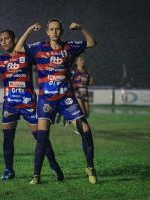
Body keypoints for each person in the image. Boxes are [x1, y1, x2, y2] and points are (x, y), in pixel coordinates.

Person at [15, 18, 97, 185]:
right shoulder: (38, 48)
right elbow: (17, 48)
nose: (54, 32)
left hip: (67, 100)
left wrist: (81, 27)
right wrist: (30, 28)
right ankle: (36, 175)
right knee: (42, 138)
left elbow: (91, 42)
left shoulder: (69, 47)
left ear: (61, 31)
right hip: (46, 101)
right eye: (51, 29)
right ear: (47, 32)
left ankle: (90, 168)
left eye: (57, 29)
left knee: (86, 130)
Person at [0, 29, 64, 181]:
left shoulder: (27, 55)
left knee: (41, 138)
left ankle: (54, 165)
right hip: (10, 105)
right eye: (1, 39)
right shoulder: (0, 59)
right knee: (8, 140)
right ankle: (9, 169)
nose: (4, 41)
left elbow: (47, 60)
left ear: (15, 39)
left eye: (7, 39)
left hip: (29, 104)